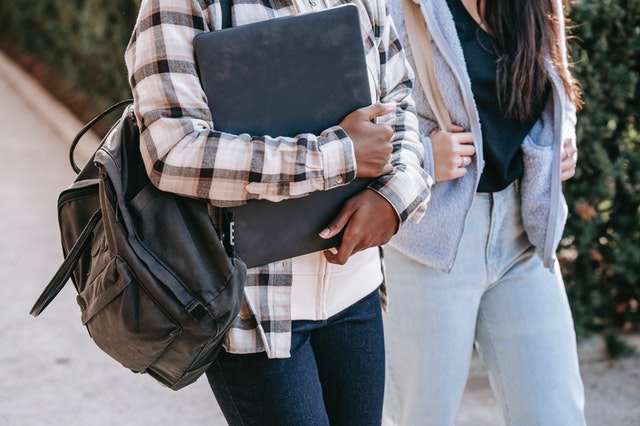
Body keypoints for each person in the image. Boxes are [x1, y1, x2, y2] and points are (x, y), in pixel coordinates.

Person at [124, 0, 432, 424]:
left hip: (356, 288)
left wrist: (395, 198)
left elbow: (398, 99)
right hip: (255, 305)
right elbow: (173, 151)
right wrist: (336, 155)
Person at [382, 0, 586, 424]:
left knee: (557, 414)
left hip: (523, 235)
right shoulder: (399, 7)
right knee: (422, 415)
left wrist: (563, 142)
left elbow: (556, 88)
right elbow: (365, 108)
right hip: (431, 242)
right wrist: (419, 154)